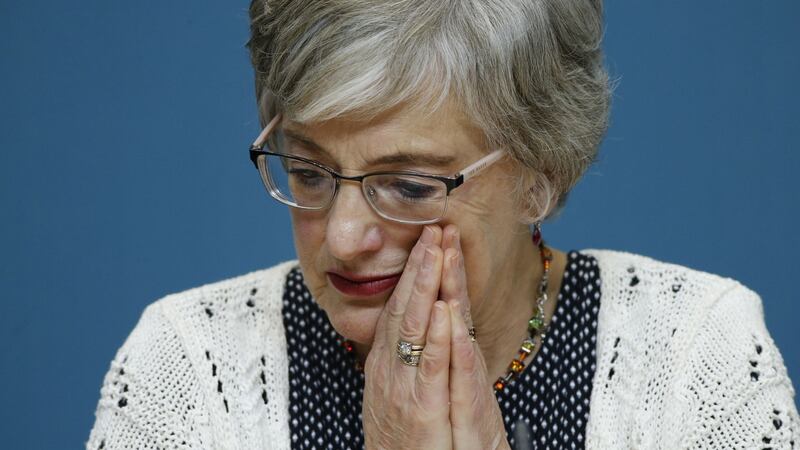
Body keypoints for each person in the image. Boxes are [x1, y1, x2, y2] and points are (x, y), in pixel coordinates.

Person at [87, 0, 799, 448]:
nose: (342, 237)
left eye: (408, 186)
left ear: (540, 172)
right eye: (309, 173)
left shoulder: (692, 352)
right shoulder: (189, 361)